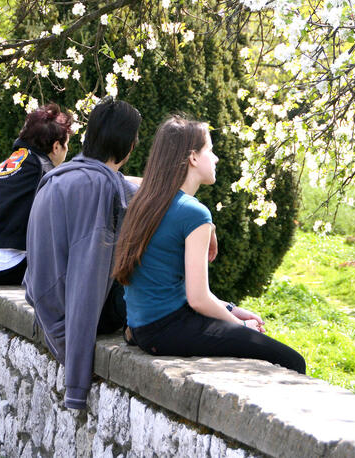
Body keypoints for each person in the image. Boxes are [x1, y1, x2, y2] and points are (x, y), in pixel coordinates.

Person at [113, 117, 306, 375]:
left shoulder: (146, 202)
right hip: (166, 330)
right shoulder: (193, 213)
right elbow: (198, 298)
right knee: (292, 361)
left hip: (140, 328)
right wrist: (239, 325)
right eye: (210, 150)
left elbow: (184, 292)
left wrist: (232, 309)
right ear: (193, 157)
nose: (215, 159)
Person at [24, 97, 142, 410]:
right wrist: (76, 385)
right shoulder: (100, 190)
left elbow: (138, 190)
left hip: (45, 303)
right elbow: (86, 281)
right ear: (130, 145)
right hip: (70, 314)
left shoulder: (65, 175)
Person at [0, 103, 73, 285]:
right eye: (66, 144)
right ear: (56, 147)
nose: (67, 150)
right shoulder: (43, 170)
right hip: (2, 267)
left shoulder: (12, 162)